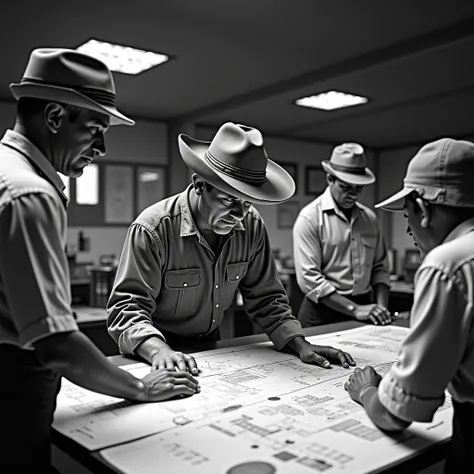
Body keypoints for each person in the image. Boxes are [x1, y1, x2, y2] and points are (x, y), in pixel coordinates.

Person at [0, 48, 199, 473]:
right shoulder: (28, 194)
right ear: (54, 116)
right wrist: (142, 388)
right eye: (95, 129)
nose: (102, 148)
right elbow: (56, 344)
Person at [107, 122, 355, 376]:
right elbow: (127, 310)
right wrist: (159, 351)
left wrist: (299, 343)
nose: (239, 214)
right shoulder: (153, 229)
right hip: (153, 350)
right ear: (199, 185)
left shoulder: (252, 225)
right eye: (229, 200)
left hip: (211, 346)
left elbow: (266, 299)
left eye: (247, 203)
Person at [344, 138, 474, 473]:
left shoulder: (446, 264)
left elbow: (394, 414)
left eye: (407, 214)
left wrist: (368, 391)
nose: (408, 227)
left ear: (421, 206)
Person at [292, 143, 392, 328]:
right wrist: (354, 310)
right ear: (330, 178)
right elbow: (309, 279)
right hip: (322, 311)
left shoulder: (370, 219)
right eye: (346, 187)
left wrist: (381, 308)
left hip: (365, 306)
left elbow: (380, 268)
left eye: (358, 188)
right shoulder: (310, 218)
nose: (353, 195)